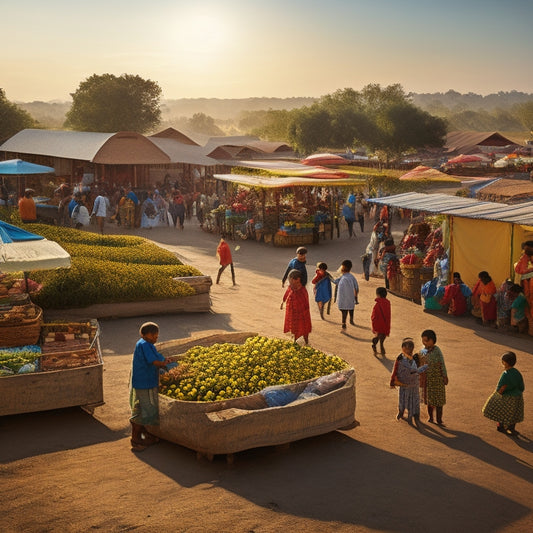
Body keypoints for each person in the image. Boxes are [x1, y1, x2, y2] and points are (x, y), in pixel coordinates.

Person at [130, 322, 171, 452]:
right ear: (144, 334)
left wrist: (165, 360)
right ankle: (136, 439)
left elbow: (157, 357)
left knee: (142, 408)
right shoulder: (145, 345)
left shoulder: (146, 344)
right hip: (144, 383)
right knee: (145, 410)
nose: (155, 338)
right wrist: (164, 364)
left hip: (144, 382)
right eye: (153, 335)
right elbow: (154, 361)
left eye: (156, 335)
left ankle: (145, 434)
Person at [482, 351, 525, 436]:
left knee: (502, 411)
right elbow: (522, 387)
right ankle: (511, 428)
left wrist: (498, 395)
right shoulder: (517, 373)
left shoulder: (505, 374)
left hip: (507, 396)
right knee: (514, 413)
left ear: (505, 363)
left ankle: (501, 426)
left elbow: (501, 387)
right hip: (517, 397)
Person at [390, 338, 428, 427]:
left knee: (414, 401)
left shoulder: (416, 359)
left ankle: (415, 416)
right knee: (403, 400)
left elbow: (419, 370)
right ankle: (401, 412)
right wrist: (393, 380)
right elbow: (395, 370)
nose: (409, 351)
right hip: (404, 384)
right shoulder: (400, 358)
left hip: (414, 385)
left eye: (410, 349)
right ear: (402, 348)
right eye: (406, 348)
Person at [419, 329, 448, 425]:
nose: (424, 343)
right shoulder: (422, 351)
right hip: (428, 380)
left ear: (433, 340)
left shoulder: (437, 350)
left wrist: (444, 376)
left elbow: (442, 364)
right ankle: (431, 418)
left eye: (426, 340)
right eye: (423, 341)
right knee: (429, 400)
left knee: (439, 401)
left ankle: (439, 419)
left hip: (438, 378)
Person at [280, 269, 312, 345]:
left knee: (303, 328)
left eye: (291, 279)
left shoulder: (302, 290)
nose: (290, 281)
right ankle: (295, 339)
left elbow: (305, 304)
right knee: (294, 327)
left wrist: (302, 312)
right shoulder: (291, 287)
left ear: (298, 280)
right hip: (292, 312)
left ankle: (306, 340)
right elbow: (287, 293)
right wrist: (283, 302)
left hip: (301, 313)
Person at [333, 259, 359, 331]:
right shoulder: (351, 277)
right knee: (351, 308)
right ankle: (351, 319)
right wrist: (356, 298)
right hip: (351, 297)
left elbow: (335, 281)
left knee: (344, 311)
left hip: (342, 298)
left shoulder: (342, 277)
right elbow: (356, 288)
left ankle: (343, 323)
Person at [514, 240, 533, 335]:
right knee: (528, 309)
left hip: (530, 286)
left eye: (528, 249)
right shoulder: (525, 258)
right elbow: (518, 269)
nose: (525, 251)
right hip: (527, 287)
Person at [371, 287, 391, 355]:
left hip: (378, 322)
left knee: (378, 335)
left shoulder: (377, 304)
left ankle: (374, 345)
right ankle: (381, 346)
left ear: (378, 295)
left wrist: (373, 322)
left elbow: (374, 315)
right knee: (383, 335)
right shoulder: (388, 303)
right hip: (386, 322)